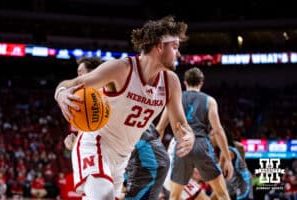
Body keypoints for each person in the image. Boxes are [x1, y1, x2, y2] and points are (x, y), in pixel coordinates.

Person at [54, 15, 195, 200]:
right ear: (160, 46)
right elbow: (73, 83)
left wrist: (188, 135)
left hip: (123, 158)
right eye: (175, 47)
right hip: (96, 144)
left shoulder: (171, 82)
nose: (178, 54)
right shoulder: (121, 69)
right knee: (103, 195)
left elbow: (180, 125)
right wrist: (61, 93)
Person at [64, 57, 170, 199]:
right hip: (101, 150)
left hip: (128, 152)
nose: (78, 77)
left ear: (93, 74)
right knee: (102, 194)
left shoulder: (113, 88)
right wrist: (73, 140)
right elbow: (79, 136)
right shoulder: (80, 101)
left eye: (81, 73)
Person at [156, 67, 234, 200]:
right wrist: (227, 158)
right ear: (201, 83)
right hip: (201, 144)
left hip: (182, 146)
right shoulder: (209, 101)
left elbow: (160, 128)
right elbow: (218, 130)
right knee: (222, 194)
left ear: (185, 82)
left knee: (174, 196)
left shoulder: (174, 99)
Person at [209, 127, 252, 200]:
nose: (210, 137)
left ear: (221, 136)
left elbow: (218, 171)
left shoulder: (227, 151)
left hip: (240, 182)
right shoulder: (220, 149)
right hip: (232, 181)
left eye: (212, 135)